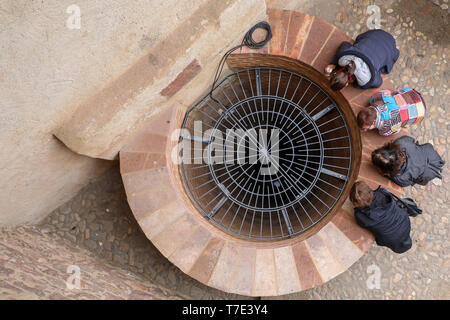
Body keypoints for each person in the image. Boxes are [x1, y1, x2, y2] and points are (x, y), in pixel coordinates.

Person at [324, 29, 400, 91]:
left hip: (390, 46)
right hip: (375, 33)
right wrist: (333, 62)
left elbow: (379, 83)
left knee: (382, 68)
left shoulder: (365, 80)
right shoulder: (343, 59)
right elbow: (344, 44)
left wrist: (357, 85)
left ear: (347, 84)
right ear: (335, 73)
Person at [350, 181, 412, 254]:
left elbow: (361, 224)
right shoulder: (382, 193)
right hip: (404, 221)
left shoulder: (360, 216)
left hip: (392, 235)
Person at [371, 135, 445, 187]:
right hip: (429, 153)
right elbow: (411, 139)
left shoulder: (400, 177)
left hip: (428, 172)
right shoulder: (401, 142)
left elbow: (407, 183)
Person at [357, 88, 426, 136]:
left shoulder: (386, 129)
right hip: (410, 92)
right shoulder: (375, 98)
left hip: (420, 111)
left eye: (367, 128)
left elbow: (397, 130)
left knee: (402, 122)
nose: (365, 130)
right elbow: (386, 91)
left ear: (373, 122)